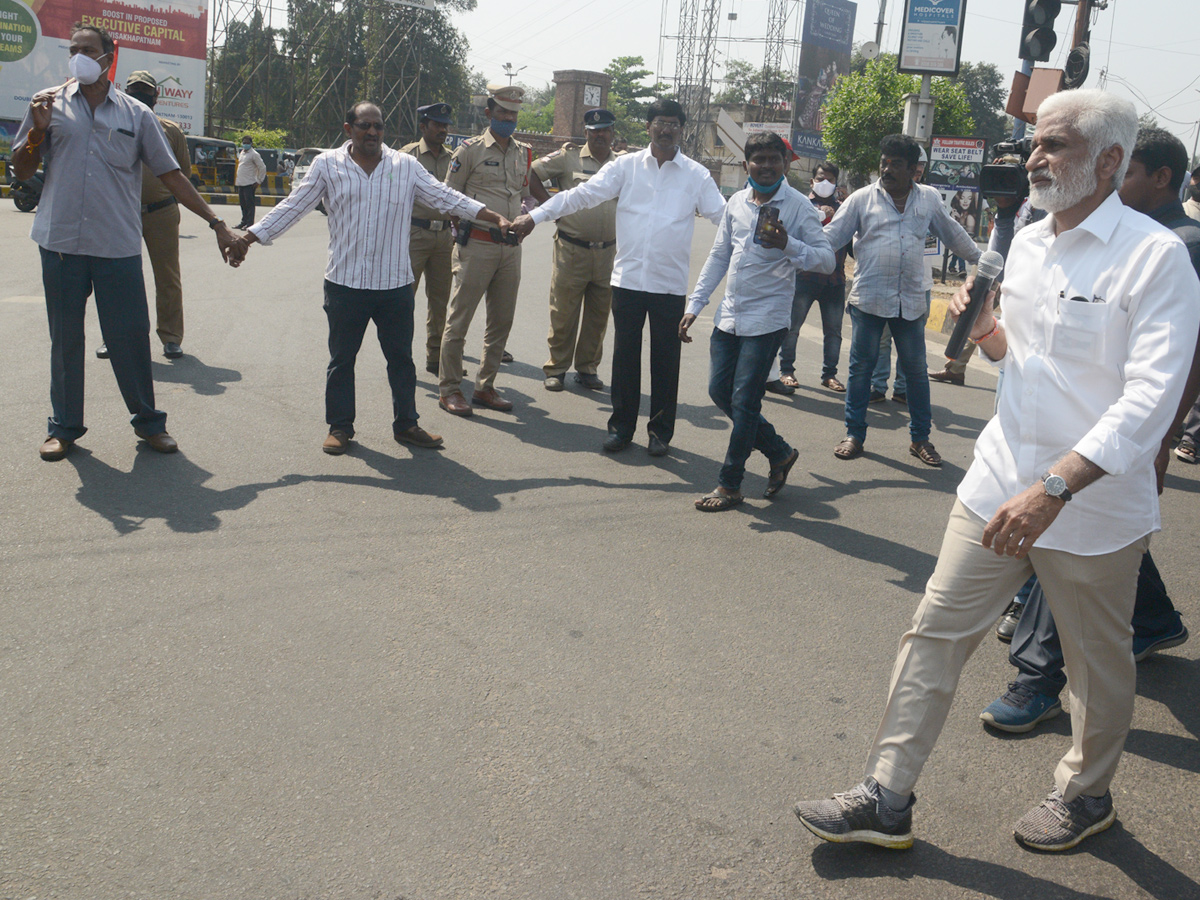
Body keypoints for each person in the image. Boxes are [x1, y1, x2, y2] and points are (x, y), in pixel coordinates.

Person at [793, 90, 1200, 853]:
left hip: (1091, 506)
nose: (1035, 159)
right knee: (934, 634)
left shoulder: (1156, 257)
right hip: (995, 484)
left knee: (1094, 667)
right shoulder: (1025, 237)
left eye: (1057, 145)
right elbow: (1032, 364)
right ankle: (887, 795)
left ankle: (1085, 795)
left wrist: (1054, 490)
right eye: (1034, 144)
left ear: (1111, 161)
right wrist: (987, 333)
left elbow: (1152, 396)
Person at [978, 126, 1200, 733]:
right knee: (1112, 555)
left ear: (1155, 176)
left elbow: (1181, 363)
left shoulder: (1175, 245)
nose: (1117, 187)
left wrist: (1158, 439)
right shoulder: (1056, 241)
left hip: (1105, 451)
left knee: (1076, 547)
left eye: (1129, 173)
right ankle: (1153, 621)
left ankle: (1038, 680)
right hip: (1058, 450)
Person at [227, 101, 512, 454]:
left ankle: (407, 424)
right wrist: (249, 238)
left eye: (378, 126)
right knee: (342, 360)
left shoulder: (405, 166)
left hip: (394, 285)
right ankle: (340, 427)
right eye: (365, 126)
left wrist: (491, 216)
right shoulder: (327, 166)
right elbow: (293, 206)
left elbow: (445, 196)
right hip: (345, 283)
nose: (373, 133)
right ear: (349, 129)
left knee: (401, 361)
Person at [13, 23, 238, 461]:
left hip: (115, 246)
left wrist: (216, 223)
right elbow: (22, 169)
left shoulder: (137, 114)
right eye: (73, 50)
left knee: (130, 337)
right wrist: (38, 133)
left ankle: (149, 423)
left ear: (107, 58)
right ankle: (64, 428)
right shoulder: (48, 104)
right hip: (60, 244)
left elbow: (172, 175)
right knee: (65, 339)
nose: (78, 57)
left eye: (87, 50)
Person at [512, 98, 727, 457]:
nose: (666, 128)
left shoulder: (696, 176)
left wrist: (761, 241)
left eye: (674, 123)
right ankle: (621, 428)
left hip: (668, 286)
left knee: (665, 362)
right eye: (660, 121)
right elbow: (580, 196)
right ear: (648, 127)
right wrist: (535, 217)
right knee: (624, 359)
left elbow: (724, 218)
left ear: (681, 129)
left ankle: (660, 432)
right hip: (627, 281)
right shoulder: (626, 167)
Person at [680, 132, 834, 511]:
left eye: (773, 159)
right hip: (730, 316)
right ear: (746, 164)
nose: (765, 166)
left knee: (745, 400)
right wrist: (694, 304)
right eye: (758, 159)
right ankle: (779, 452)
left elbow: (827, 260)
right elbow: (719, 256)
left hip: (768, 319)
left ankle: (730, 484)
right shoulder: (736, 203)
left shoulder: (799, 207)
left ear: (785, 163)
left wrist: (788, 245)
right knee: (720, 392)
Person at [824, 134, 979, 466]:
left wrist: (982, 262)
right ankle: (854, 434)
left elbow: (953, 234)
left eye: (896, 163)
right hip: (869, 300)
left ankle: (920, 439)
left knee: (916, 373)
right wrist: (793, 248)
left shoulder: (928, 200)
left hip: (910, 302)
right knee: (860, 370)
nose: (887, 168)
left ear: (913, 170)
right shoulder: (861, 199)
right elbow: (831, 238)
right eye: (884, 161)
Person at [437, 84, 550, 416]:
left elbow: (526, 193)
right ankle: (450, 389)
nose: (509, 119)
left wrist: (527, 217)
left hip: (511, 250)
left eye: (514, 114)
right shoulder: (468, 151)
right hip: (477, 247)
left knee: (501, 322)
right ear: (489, 114)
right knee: (458, 320)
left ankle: (485, 387)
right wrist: (471, 227)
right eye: (503, 113)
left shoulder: (523, 152)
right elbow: (449, 199)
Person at [98, 70, 190, 362]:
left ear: (156, 96)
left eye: (146, 91)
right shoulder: (110, 124)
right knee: (117, 278)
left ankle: (172, 338)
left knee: (167, 277)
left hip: (161, 213)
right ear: (124, 90)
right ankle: (114, 338)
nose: (141, 95)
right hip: (121, 212)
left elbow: (183, 175)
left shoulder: (171, 131)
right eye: (135, 90)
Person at [531, 108, 620, 393]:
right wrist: (552, 209)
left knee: (598, 315)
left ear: (612, 133)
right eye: (595, 131)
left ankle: (587, 368)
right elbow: (531, 173)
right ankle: (556, 368)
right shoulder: (568, 157)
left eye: (605, 130)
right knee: (564, 312)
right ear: (586, 133)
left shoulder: (622, 165)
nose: (600, 135)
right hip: (572, 248)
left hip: (608, 251)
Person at [776, 161, 847, 394]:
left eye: (830, 179)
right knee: (792, 327)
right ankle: (786, 370)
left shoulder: (844, 209)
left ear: (836, 183)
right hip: (804, 277)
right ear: (812, 181)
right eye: (820, 178)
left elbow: (853, 241)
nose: (825, 183)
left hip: (835, 280)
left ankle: (830, 375)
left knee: (834, 332)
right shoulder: (802, 206)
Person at [870, 146, 934, 406]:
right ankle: (877, 385)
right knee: (882, 340)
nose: (916, 176)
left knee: (911, 348)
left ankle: (903, 388)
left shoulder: (930, 199)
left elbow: (953, 234)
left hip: (919, 284)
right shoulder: (872, 199)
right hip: (882, 286)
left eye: (919, 171)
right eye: (913, 170)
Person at [400, 102, 457, 375]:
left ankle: (436, 358)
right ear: (423, 126)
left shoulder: (454, 158)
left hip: (445, 237)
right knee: (404, 300)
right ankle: (401, 359)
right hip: (414, 235)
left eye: (445, 125)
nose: (443, 129)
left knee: (440, 300)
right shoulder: (406, 156)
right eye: (437, 124)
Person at [235, 134, 266, 229]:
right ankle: (243, 222)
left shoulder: (254, 154)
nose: (245, 145)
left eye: (247, 143)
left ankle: (249, 224)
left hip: (249, 183)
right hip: (241, 182)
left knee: (249, 205)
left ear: (251, 144)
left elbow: (262, 167)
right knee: (243, 204)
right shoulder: (242, 153)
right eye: (244, 143)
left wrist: (259, 180)